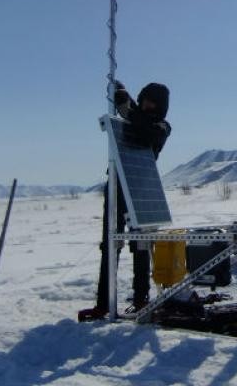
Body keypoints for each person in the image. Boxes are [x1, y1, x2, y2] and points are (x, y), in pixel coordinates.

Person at [79, 81, 172, 321]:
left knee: (140, 244)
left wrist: (126, 106)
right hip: (117, 186)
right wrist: (122, 95)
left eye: (152, 101)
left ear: (161, 106)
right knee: (109, 243)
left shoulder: (162, 127)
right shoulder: (132, 117)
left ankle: (141, 298)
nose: (146, 104)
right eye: (144, 99)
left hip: (141, 187)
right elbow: (134, 117)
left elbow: (144, 129)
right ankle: (104, 303)